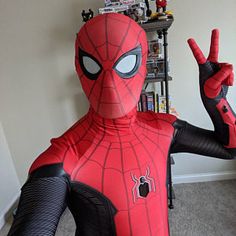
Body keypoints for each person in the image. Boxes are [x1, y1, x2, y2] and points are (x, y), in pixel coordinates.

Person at [8, 13, 236, 236]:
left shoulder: (163, 128)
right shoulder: (64, 158)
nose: (110, 83)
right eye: (93, 66)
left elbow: (230, 150)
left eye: (126, 63)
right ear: (79, 68)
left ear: (144, 66)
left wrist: (217, 101)